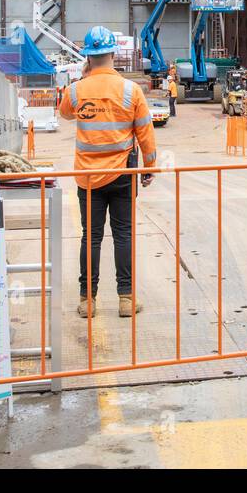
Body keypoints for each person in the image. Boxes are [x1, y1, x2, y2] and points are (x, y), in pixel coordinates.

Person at [58, 26, 159, 319]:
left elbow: (65, 113)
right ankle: (126, 299)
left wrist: (83, 77)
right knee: (123, 235)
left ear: (88, 57)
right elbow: (146, 135)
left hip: (87, 178)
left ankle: (87, 301)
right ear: (113, 53)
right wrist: (148, 169)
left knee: (91, 237)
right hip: (122, 176)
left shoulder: (76, 90)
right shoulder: (131, 90)